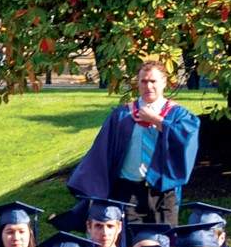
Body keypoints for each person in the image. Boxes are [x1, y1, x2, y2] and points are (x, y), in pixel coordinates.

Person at [67, 61, 199, 225]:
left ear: (164, 83)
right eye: (143, 81)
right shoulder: (123, 115)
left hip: (163, 191)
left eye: (153, 81)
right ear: (137, 83)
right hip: (128, 191)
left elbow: (186, 138)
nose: (148, 86)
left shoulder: (177, 114)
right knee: (130, 246)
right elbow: (101, 152)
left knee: (164, 245)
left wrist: (157, 121)